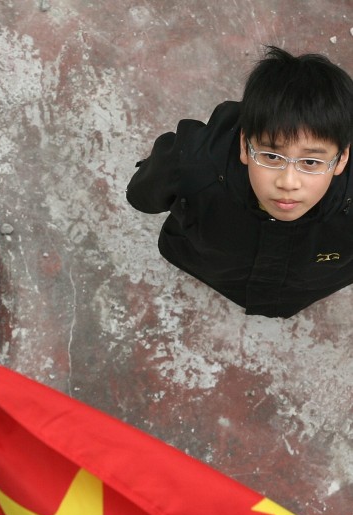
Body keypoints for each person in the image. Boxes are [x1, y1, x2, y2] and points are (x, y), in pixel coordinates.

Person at [127, 45, 353, 318]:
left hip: (305, 289)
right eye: (271, 156)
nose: (288, 182)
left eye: (311, 162)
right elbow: (143, 196)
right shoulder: (192, 164)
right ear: (245, 146)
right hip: (210, 272)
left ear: (341, 159)